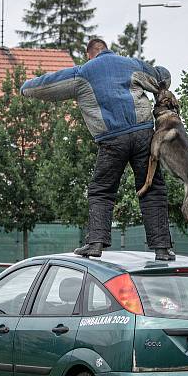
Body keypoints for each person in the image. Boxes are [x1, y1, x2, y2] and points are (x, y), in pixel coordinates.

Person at [21, 37, 175, 260]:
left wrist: (25, 89)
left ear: (89, 54)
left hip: (112, 140)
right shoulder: (131, 64)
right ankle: (162, 249)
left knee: (101, 190)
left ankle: (95, 244)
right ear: (107, 49)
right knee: (152, 187)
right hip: (144, 135)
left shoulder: (83, 72)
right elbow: (162, 77)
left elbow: (46, 85)